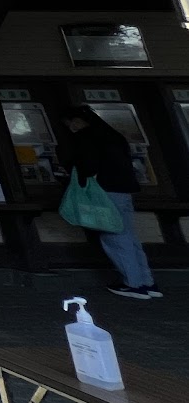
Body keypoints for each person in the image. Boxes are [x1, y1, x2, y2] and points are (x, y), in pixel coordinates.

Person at [62, 105, 160, 299]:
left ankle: (133, 284)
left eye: (69, 123)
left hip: (104, 192)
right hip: (125, 191)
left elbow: (87, 166)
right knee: (129, 237)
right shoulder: (114, 136)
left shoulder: (87, 136)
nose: (70, 128)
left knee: (114, 238)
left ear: (77, 121)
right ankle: (147, 282)